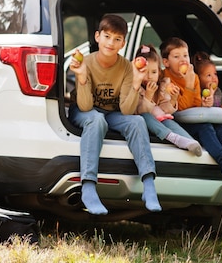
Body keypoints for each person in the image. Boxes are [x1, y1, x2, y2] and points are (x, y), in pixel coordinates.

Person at [68, 14, 161, 215]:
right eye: (107, 36)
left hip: (112, 112)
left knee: (136, 121)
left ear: (123, 44)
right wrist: (82, 77)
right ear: (97, 37)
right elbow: (84, 106)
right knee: (95, 119)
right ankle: (88, 187)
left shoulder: (127, 67)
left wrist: (136, 82)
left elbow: (127, 110)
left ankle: (149, 185)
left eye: (117, 39)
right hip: (85, 111)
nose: (111, 43)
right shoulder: (87, 62)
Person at [160, 37, 222, 177]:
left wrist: (205, 103)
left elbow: (195, 104)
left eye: (186, 55)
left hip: (190, 118)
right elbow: (180, 108)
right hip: (175, 121)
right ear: (166, 62)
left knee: (217, 126)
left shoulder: (193, 77)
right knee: (205, 127)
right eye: (176, 56)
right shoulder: (165, 78)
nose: (183, 60)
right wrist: (188, 85)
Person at [134, 44, 202, 156]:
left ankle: (190, 141)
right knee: (146, 116)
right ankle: (172, 137)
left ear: (159, 72)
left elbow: (164, 110)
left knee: (169, 121)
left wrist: (173, 100)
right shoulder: (137, 88)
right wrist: (148, 96)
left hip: (161, 119)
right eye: (145, 72)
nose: (150, 76)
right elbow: (139, 110)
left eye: (154, 72)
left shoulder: (163, 85)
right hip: (146, 120)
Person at [192, 51, 222, 139]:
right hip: (208, 124)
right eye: (208, 75)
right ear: (198, 78)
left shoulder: (218, 91)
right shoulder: (198, 92)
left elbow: (220, 107)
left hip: (219, 122)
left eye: (215, 74)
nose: (214, 78)